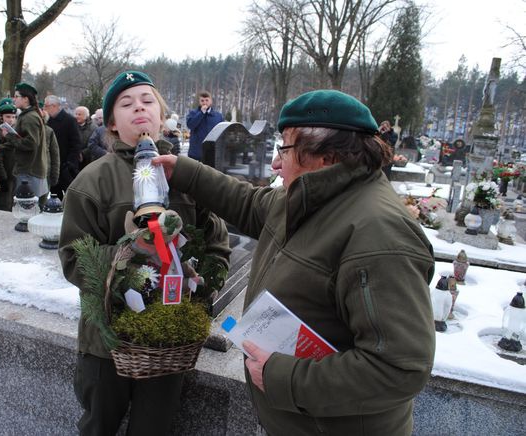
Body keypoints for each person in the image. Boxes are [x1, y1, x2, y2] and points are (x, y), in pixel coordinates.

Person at [153, 90, 435, 436]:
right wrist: (183, 171)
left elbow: (398, 368)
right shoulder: (315, 196)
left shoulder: (379, 235)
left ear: (326, 156)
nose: (274, 163)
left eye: (284, 150)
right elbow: (248, 202)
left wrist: (281, 378)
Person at [58, 70, 231, 436]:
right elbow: (74, 259)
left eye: (147, 100)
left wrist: (204, 287)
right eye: (126, 103)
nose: (139, 107)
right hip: (107, 344)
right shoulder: (92, 181)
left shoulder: (186, 176)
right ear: (111, 123)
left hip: (170, 340)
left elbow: (217, 241)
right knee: (98, 425)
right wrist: (132, 259)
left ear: (162, 113)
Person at [1, 82, 49, 206]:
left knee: (27, 209)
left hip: (30, 171)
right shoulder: (30, 115)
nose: (14, 99)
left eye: (17, 96)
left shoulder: (30, 117)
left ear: (26, 99)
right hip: (31, 169)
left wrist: (9, 136)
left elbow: (31, 144)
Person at [44, 95, 82, 199]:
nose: (44, 109)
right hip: (53, 166)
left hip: (66, 166)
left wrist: (70, 164)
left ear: (55, 106)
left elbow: (76, 143)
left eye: (46, 106)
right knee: (54, 196)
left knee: (71, 196)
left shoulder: (69, 120)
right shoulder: (47, 121)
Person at [185, 90, 223, 161]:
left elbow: (221, 133)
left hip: (211, 152)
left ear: (211, 101)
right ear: (199, 102)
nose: (204, 102)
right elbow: (190, 125)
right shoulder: (193, 113)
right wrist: (201, 113)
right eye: (202, 101)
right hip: (196, 152)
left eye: (207, 100)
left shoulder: (218, 116)